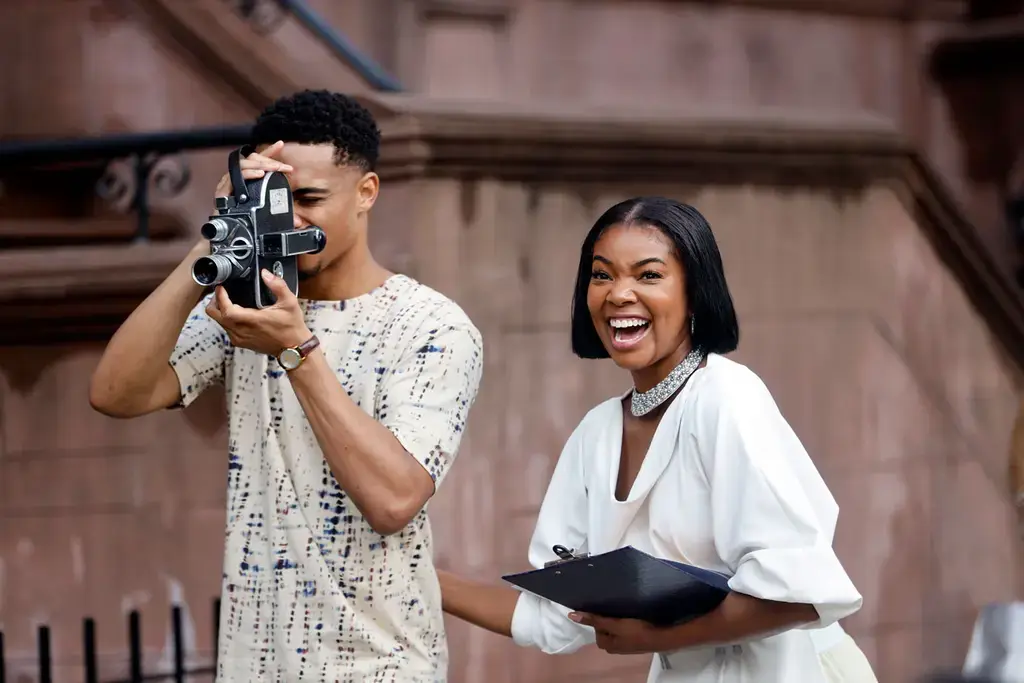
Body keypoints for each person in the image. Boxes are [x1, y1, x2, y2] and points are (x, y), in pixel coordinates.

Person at [89, 90, 484, 682]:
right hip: (252, 664)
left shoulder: (431, 325)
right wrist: (216, 240)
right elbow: (116, 394)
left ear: (367, 193)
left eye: (311, 199)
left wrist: (299, 352)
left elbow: (393, 501)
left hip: (378, 666)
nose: (291, 219)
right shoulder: (246, 308)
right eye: (275, 200)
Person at [437, 197, 877, 682]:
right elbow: (554, 620)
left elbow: (801, 593)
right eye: (602, 275)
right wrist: (415, 577)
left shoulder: (725, 397)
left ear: (694, 293)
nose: (618, 294)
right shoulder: (596, 434)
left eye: (648, 275)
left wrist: (659, 639)